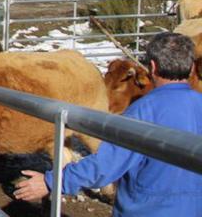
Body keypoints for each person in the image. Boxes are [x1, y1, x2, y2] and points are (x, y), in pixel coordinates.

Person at [14, 32, 202, 216]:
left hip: (148, 210)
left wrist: (52, 182)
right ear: (192, 68)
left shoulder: (144, 111)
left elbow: (108, 163)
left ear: (152, 67)